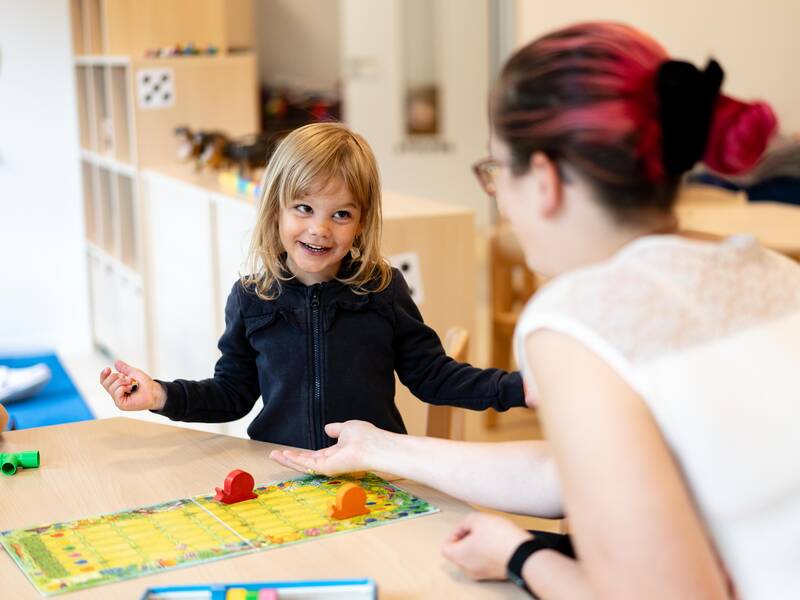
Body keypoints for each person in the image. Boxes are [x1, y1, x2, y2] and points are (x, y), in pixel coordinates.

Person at [271, 22, 800, 599]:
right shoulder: (768, 267)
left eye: (496, 172)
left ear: (544, 179)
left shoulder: (577, 318)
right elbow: (570, 471)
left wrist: (521, 554)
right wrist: (380, 446)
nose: (498, 196)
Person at [100, 122, 524, 450]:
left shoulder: (382, 288)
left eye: (341, 214)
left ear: (360, 224)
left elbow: (433, 376)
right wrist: (160, 395)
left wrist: (521, 389)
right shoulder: (251, 298)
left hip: (371, 470)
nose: (320, 229)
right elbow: (232, 394)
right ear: (276, 212)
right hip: (282, 472)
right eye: (304, 208)